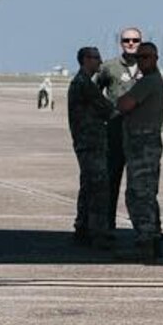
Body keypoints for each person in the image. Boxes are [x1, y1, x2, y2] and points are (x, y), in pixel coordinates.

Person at [115, 40, 163, 263]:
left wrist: (121, 99)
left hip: (143, 144)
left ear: (155, 58)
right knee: (145, 192)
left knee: (139, 195)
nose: (141, 61)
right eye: (139, 57)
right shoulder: (149, 80)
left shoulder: (148, 82)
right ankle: (151, 238)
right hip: (142, 143)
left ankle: (145, 242)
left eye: (146, 57)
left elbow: (125, 104)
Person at [66, 46, 115, 248]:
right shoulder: (84, 84)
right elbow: (106, 109)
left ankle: (83, 227)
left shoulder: (83, 83)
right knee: (99, 188)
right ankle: (98, 233)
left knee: (88, 186)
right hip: (91, 142)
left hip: (86, 142)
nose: (100, 61)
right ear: (85, 59)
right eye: (96, 58)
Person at [98, 27, 145, 235]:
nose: (131, 43)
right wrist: (106, 114)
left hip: (140, 135)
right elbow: (94, 93)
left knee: (141, 185)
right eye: (127, 40)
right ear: (121, 42)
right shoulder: (109, 67)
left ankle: (144, 228)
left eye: (135, 40)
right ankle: (107, 225)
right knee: (110, 182)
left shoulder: (149, 68)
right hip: (115, 134)